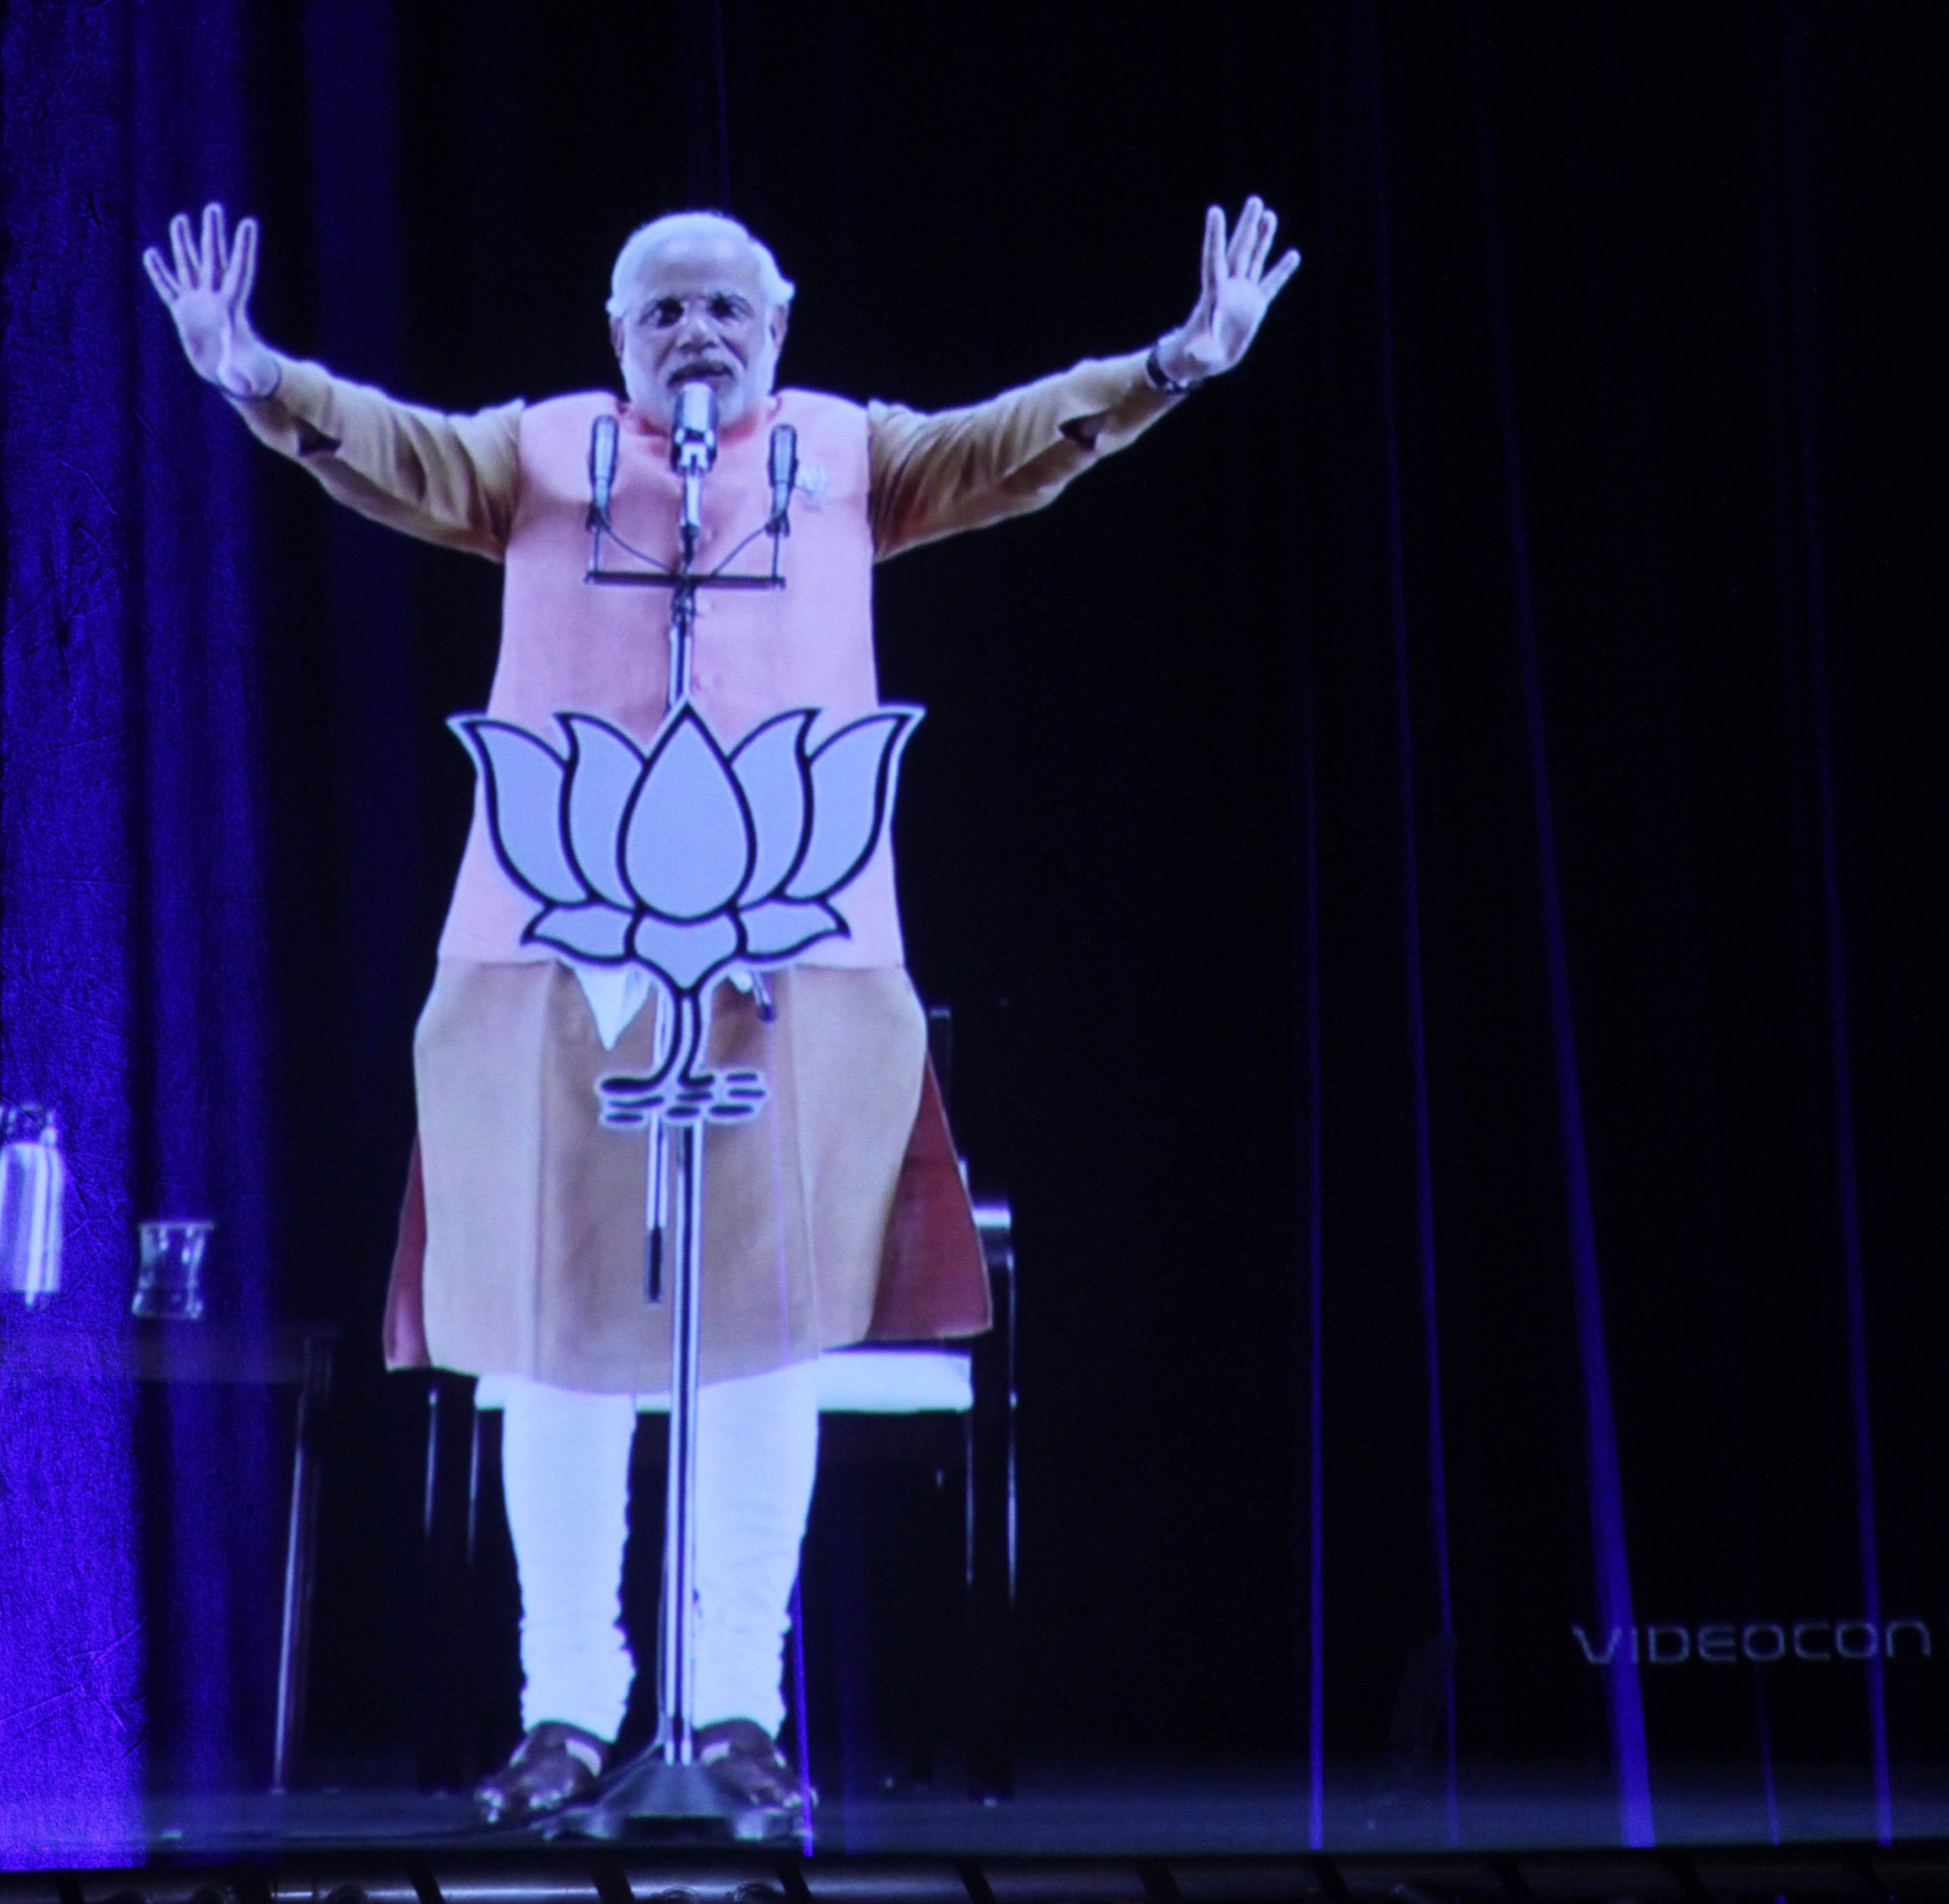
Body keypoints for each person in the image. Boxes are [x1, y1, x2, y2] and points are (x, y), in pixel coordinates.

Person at [144, 199, 1297, 1822]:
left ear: (783, 321)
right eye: (666, 309)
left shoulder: (848, 454)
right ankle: (565, 1711)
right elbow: (388, 452)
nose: (698, 332)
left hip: (797, 955)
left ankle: (742, 1710)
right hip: (553, 956)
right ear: (618, 333)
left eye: (727, 307)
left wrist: (1174, 363)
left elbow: (1019, 444)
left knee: (762, 1339)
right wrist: (258, 377)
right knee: (549, 1351)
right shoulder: (542, 454)